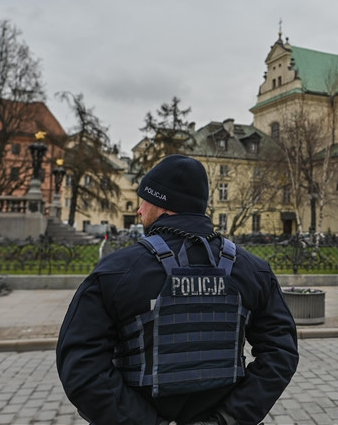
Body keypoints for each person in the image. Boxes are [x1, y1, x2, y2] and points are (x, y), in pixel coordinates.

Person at [57, 154, 299, 425]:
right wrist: (229, 418)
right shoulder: (254, 270)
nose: (139, 210)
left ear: (162, 205)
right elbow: (281, 352)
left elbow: (81, 366)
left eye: (144, 201)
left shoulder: (116, 271)